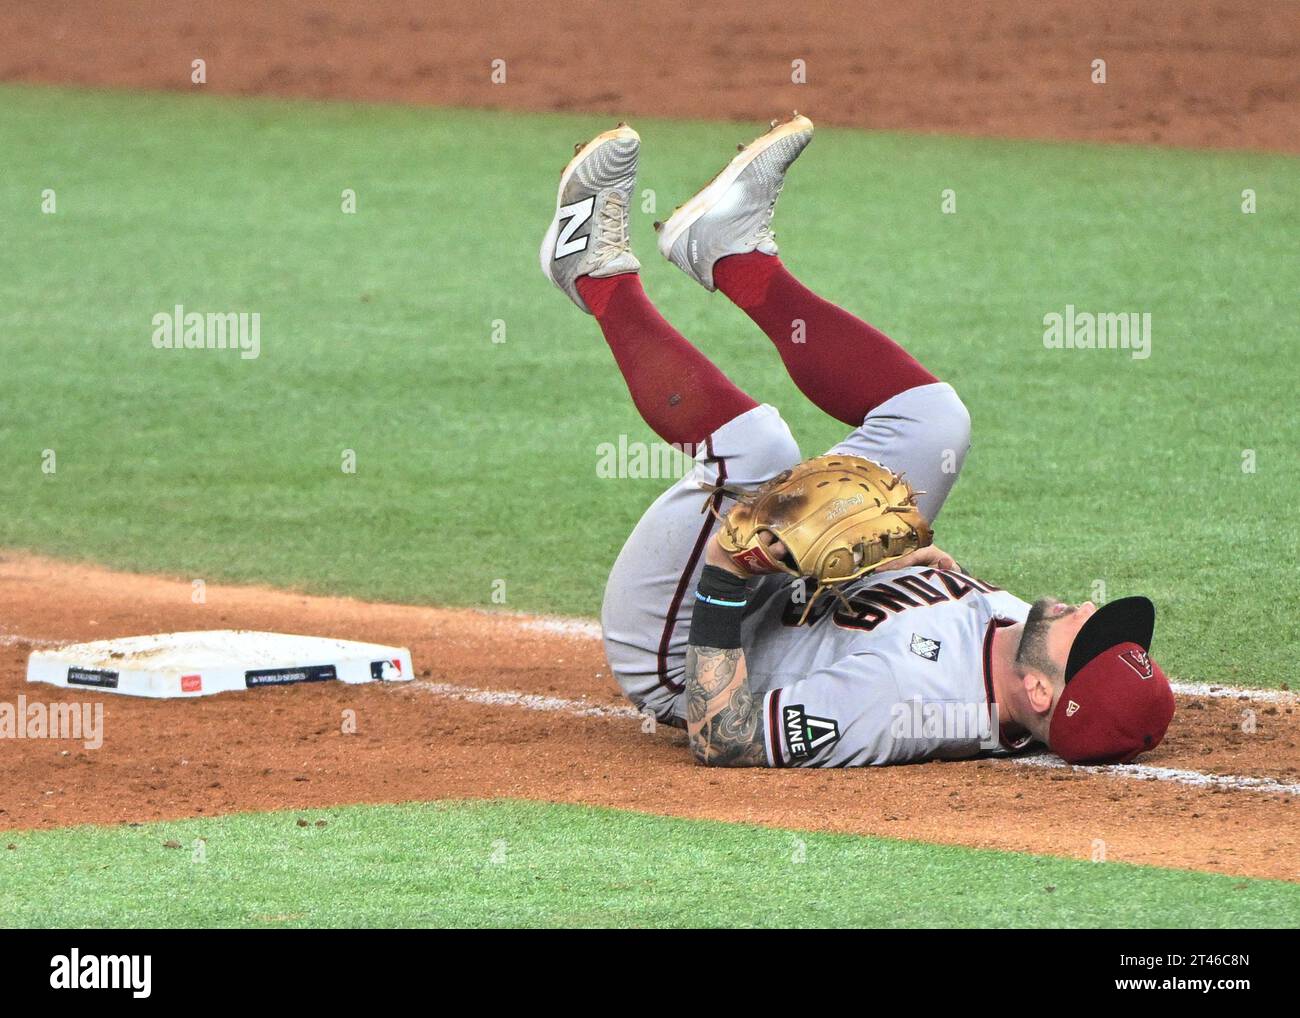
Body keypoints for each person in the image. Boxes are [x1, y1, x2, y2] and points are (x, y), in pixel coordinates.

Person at [540, 116, 1174, 767]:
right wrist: (878, 558)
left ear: (1039, 691)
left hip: (683, 645)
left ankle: (593, 271)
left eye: (1086, 635)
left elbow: (723, 738)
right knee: (933, 421)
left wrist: (731, 572)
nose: (1087, 608)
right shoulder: (1016, 635)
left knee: (761, 455)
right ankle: (733, 256)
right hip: (793, 587)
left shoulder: (902, 704)